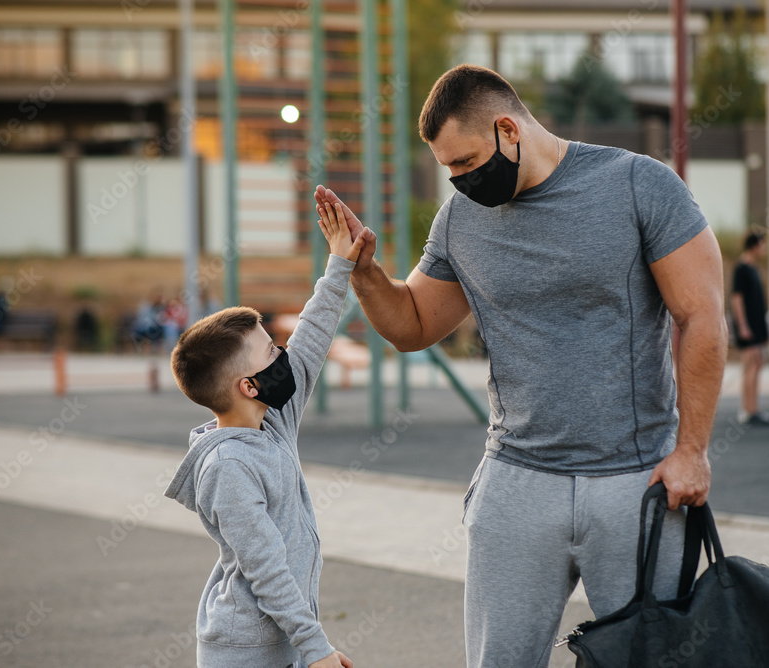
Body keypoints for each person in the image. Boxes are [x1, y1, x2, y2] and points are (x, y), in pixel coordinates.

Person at [315, 64, 728, 667]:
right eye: (447, 168)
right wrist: (364, 270)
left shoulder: (639, 184)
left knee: (652, 661)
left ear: (509, 129)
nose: (458, 180)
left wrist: (691, 450)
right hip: (517, 481)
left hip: (635, 480)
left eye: (465, 162)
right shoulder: (460, 219)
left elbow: (703, 317)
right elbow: (412, 326)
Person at [163, 201, 360, 668]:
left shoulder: (272, 422)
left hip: (283, 643)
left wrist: (340, 264)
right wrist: (318, 650)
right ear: (248, 386)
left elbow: (311, 338)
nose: (284, 356)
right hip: (242, 651)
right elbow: (267, 570)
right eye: (272, 352)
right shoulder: (227, 467)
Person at [731, 231, 769, 426]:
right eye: (762, 245)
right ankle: (748, 410)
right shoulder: (741, 269)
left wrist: (764, 331)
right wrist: (742, 326)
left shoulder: (754, 269)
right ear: (754, 246)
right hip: (747, 326)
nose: (764, 249)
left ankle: (752, 408)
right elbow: (736, 298)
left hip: (757, 325)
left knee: (757, 365)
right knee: (750, 365)